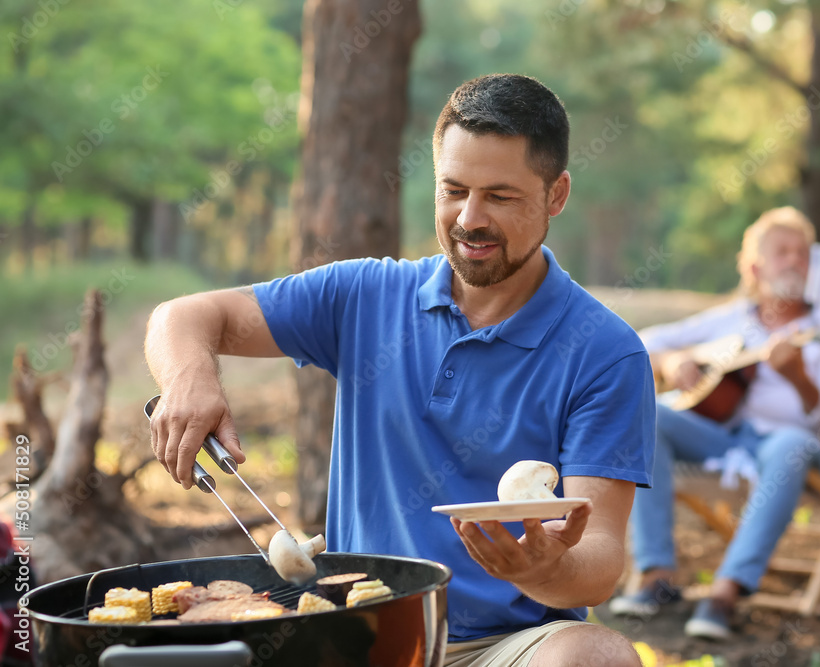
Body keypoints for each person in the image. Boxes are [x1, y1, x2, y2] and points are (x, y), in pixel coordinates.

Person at [144, 73, 655, 667]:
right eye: (453, 189)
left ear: (557, 195)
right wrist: (189, 379)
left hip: (503, 648)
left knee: (596, 656)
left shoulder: (606, 353)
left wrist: (545, 568)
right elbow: (184, 316)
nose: (470, 219)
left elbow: (598, 565)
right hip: (353, 635)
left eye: (501, 196)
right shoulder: (363, 294)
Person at [608, 207, 820, 640]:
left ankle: (725, 591)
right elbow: (644, 341)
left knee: (791, 445)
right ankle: (657, 575)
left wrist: (798, 378)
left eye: (803, 253)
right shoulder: (732, 319)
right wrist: (674, 361)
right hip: (722, 439)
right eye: (782, 251)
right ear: (754, 266)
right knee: (647, 414)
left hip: (789, 444)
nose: (795, 261)